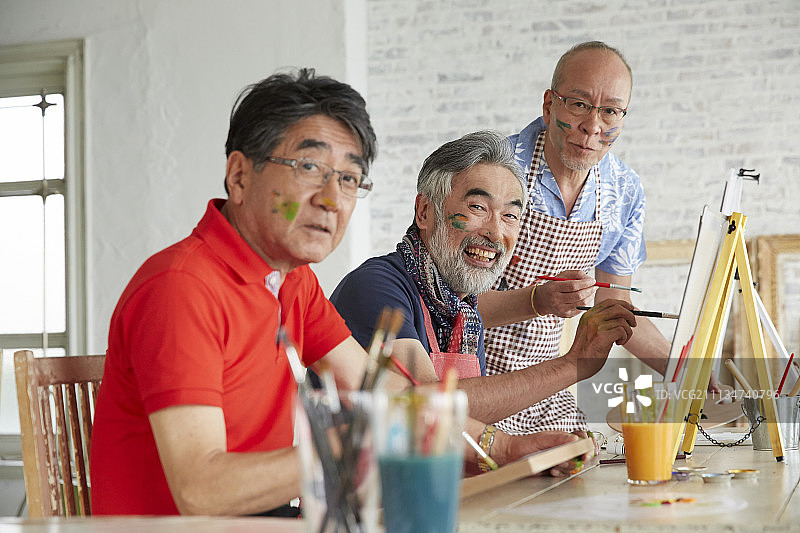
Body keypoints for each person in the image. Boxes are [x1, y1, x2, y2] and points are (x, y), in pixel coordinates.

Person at [90, 70, 601, 517]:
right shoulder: (183, 289)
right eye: (308, 168)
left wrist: (507, 447)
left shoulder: (293, 283)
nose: (333, 199)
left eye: (351, 178)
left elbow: (396, 397)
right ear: (240, 175)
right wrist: (372, 437)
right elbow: (202, 492)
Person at [331, 130, 637, 461]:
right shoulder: (375, 288)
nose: (495, 232)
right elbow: (426, 407)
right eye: (477, 207)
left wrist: (539, 447)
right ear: (424, 212)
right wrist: (573, 364)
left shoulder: (462, 305)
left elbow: (462, 427)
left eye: (510, 216)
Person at [476, 41, 724, 435]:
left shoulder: (623, 191)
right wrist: (536, 300)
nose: (593, 126)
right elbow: (444, 302)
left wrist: (683, 369)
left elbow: (615, 305)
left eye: (610, 111)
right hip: (474, 384)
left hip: (548, 388)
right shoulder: (493, 170)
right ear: (549, 104)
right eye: (578, 104)